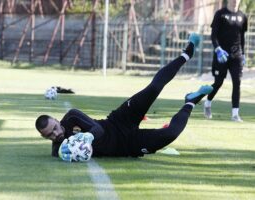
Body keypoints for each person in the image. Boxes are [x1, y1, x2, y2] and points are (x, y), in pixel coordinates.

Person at [35, 33, 213, 160]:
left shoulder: (71, 117)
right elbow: (60, 152)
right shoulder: (60, 150)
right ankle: (190, 101)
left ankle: (187, 53)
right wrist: (67, 152)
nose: (56, 134)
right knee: (170, 134)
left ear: (57, 121)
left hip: (119, 121)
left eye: (55, 127)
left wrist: (86, 138)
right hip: (128, 146)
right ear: (45, 138)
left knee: (154, 88)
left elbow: (98, 130)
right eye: (50, 135)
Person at [203, 0, 248, 122]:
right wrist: (218, 49)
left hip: (236, 55)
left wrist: (243, 54)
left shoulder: (243, 16)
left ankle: (235, 114)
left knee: (237, 83)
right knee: (218, 83)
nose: (235, 1)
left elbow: (242, 37)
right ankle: (207, 103)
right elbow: (213, 35)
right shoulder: (220, 14)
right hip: (221, 55)